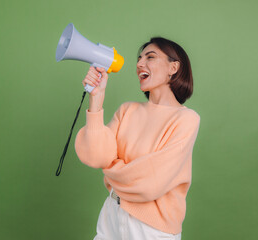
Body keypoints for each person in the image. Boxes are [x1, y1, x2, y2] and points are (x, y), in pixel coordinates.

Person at [74, 37, 200, 240]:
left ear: (173, 67)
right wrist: (96, 99)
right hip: (112, 214)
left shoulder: (186, 119)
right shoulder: (127, 110)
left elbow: (151, 183)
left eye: (150, 57)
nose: (140, 64)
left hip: (152, 228)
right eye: (139, 58)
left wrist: (112, 168)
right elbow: (95, 157)